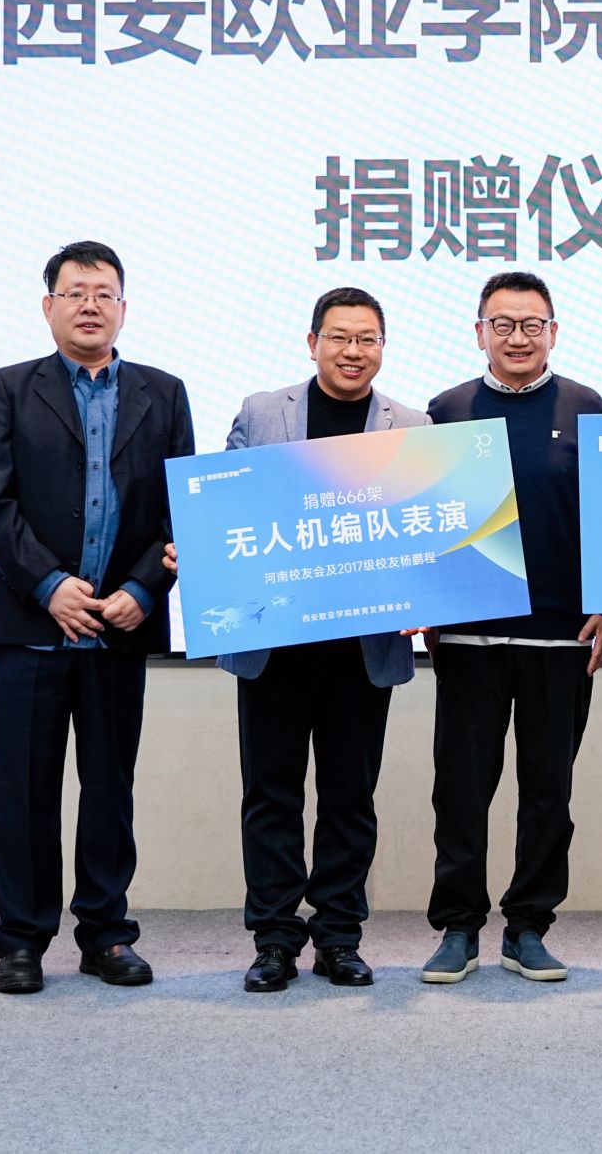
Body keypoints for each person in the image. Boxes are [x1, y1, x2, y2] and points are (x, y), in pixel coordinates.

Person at [0, 240, 193, 995]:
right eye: (75, 292)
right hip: (35, 626)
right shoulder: (10, 388)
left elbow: (181, 509)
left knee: (108, 788)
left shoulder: (164, 393)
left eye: (104, 293)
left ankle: (105, 934)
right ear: (49, 306)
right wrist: (49, 585)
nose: (90, 305)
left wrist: (143, 589)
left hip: (120, 627)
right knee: (23, 792)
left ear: (123, 308)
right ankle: (21, 940)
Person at [216, 287, 429, 992]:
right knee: (270, 795)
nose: (352, 351)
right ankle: (274, 938)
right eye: (339, 337)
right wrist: (203, 551)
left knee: (349, 797)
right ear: (312, 343)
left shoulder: (413, 425)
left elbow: (428, 535)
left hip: (360, 651)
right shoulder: (261, 412)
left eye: (367, 338)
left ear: (382, 347)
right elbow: (226, 511)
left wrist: (426, 595)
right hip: (274, 644)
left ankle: (339, 935)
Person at [415, 272, 602, 985]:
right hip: (468, 636)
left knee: (548, 791)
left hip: (560, 636)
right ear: (480, 333)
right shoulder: (445, 411)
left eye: (532, 324)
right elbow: (421, 516)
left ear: (554, 332)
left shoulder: (590, 409)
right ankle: (458, 927)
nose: (518, 337)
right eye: (502, 324)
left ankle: (528, 924)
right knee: (461, 790)